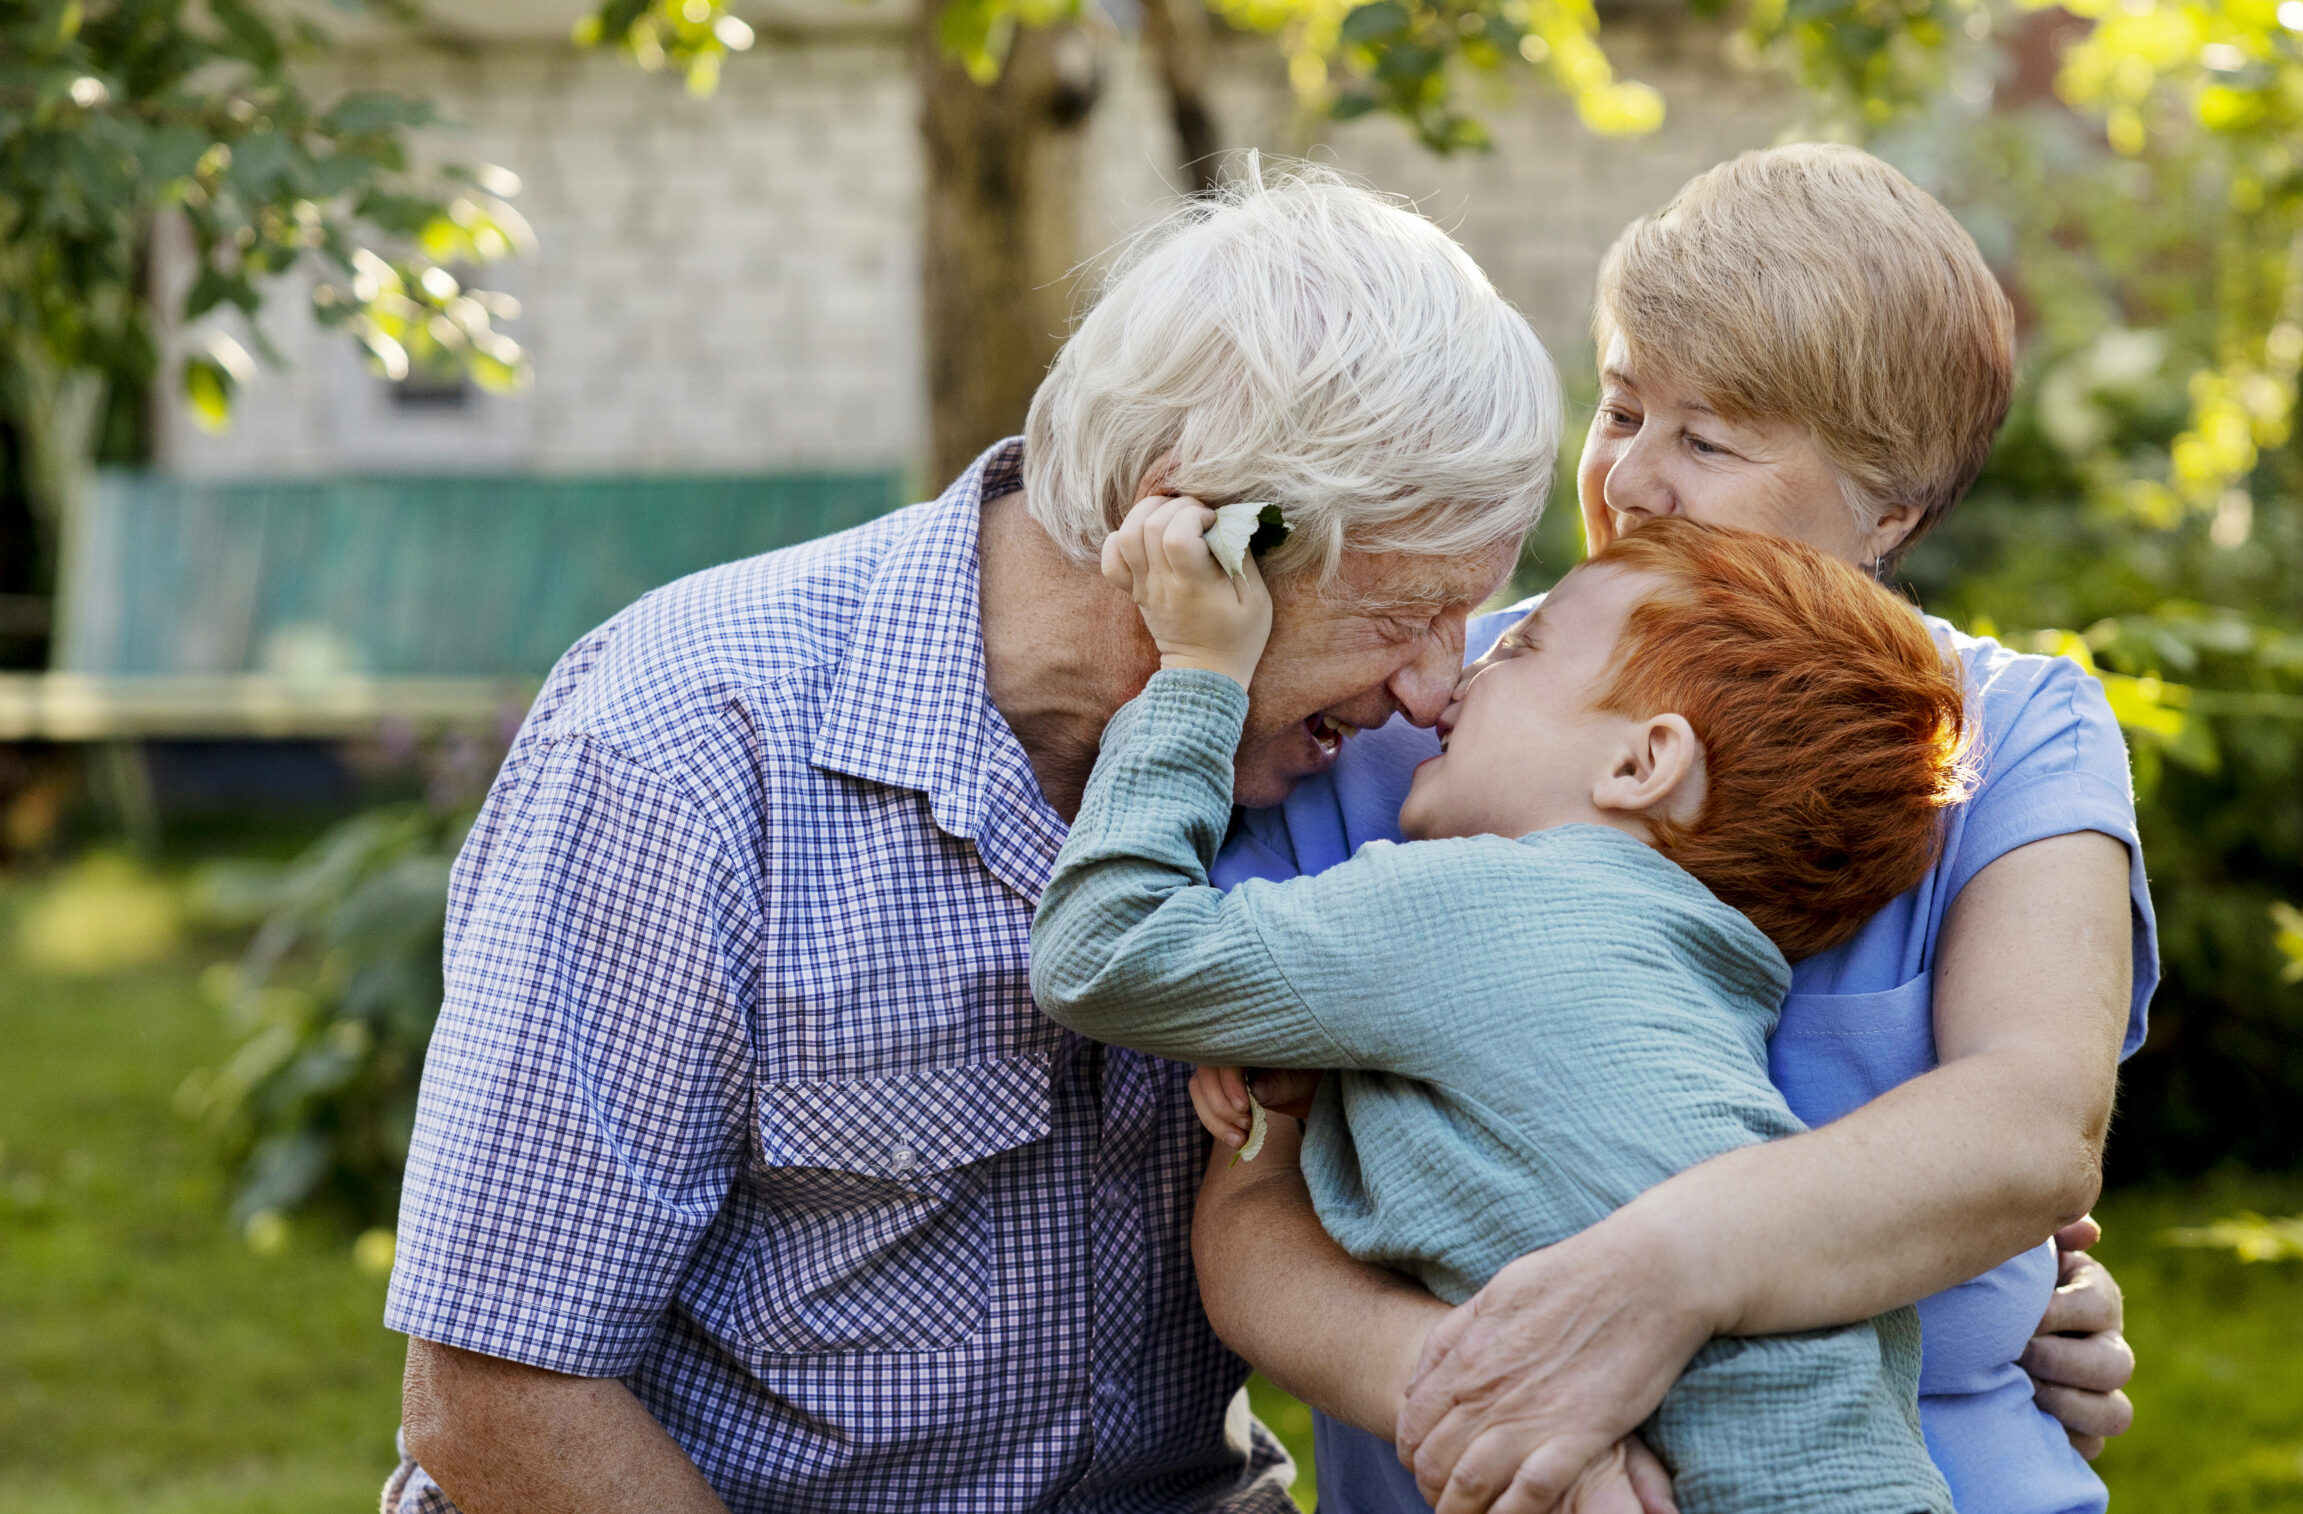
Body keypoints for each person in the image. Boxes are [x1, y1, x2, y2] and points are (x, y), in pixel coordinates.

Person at [377, 162, 1569, 1514]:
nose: (1433, 687)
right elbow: (496, 1396)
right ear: (1200, 533)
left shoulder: (1372, 766)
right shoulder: (685, 745)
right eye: (1400, 615)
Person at [1193, 142, 2155, 1514]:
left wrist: (1663, 1274)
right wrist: (1492, 1396)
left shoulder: (2004, 738)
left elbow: (2027, 1128)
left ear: (1893, 508)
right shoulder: (1422, 714)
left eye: (1707, 441)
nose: (1632, 482)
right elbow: (1247, 1198)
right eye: (1624, 409)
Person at [1033, 499, 1980, 1514]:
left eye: (1517, 648)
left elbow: (1104, 948)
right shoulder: (1706, 977)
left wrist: (1197, 676)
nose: (1449, 686)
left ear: (1639, 763)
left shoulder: (1476, 903)